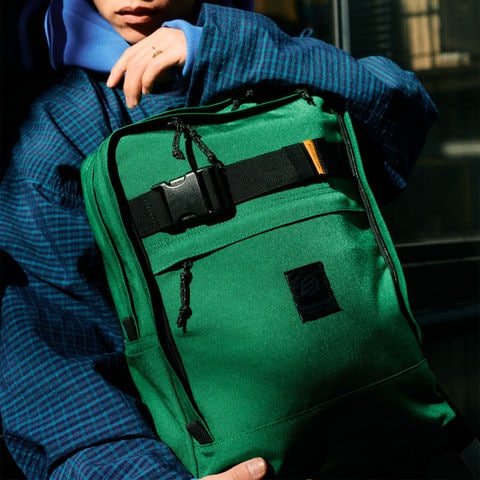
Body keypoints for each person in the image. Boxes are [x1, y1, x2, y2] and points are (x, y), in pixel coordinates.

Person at [0, 0, 438, 478]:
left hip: (387, 434)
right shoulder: (62, 131)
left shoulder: (257, 57)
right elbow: (49, 347)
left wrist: (221, 48)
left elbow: (397, 111)